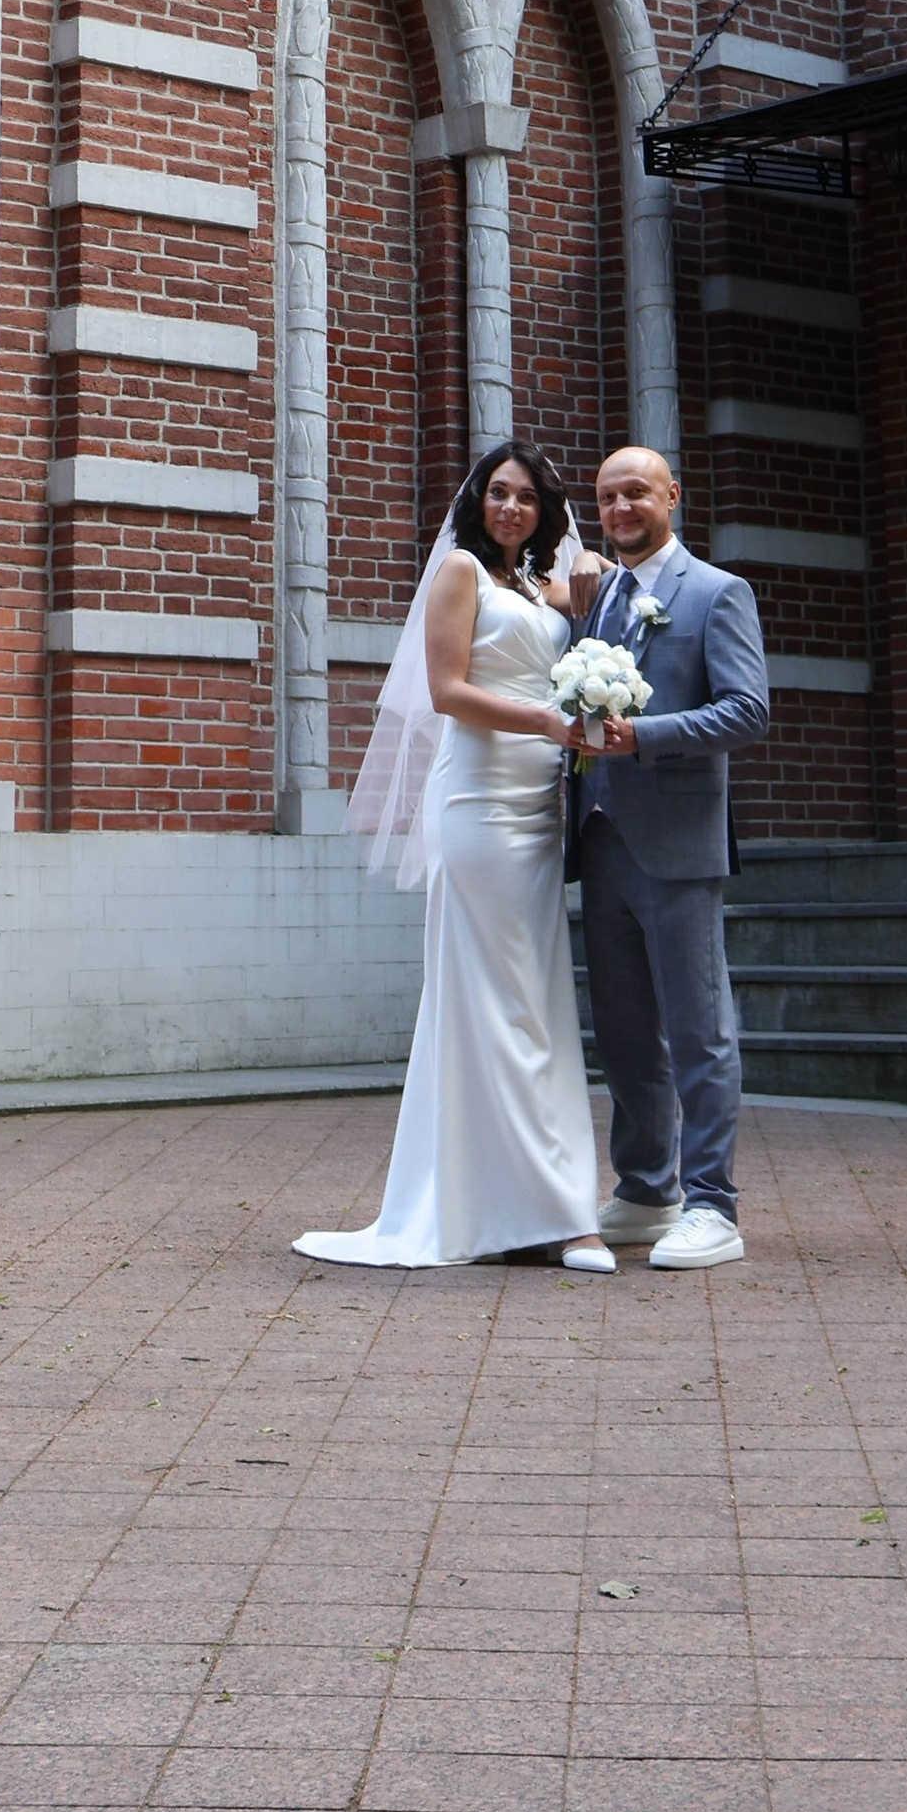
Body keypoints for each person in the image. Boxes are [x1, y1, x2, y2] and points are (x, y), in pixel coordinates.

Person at [294, 444, 618, 1273]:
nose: (511, 508)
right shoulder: (461, 573)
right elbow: (446, 692)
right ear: (479, 502)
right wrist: (544, 720)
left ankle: (527, 1206)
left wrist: (590, 569)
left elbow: (604, 608)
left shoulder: (541, 587)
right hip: (477, 801)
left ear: (545, 511)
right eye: (498, 493)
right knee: (493, 998)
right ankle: (543, 1212)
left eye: (527, 498)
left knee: (536, 1001)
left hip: (538, 805)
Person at [571, 444, 770, 1272]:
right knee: (623, 1033)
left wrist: (642, 737)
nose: (621, 509)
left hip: (679, 845)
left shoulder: (717, 593)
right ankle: (647, 1190)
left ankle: (713, 1203)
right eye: (607, 498)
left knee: (698, 1030)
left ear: (672, 496)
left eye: (637, 493)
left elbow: (747, 710)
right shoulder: (598, 599)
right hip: (600, 840)